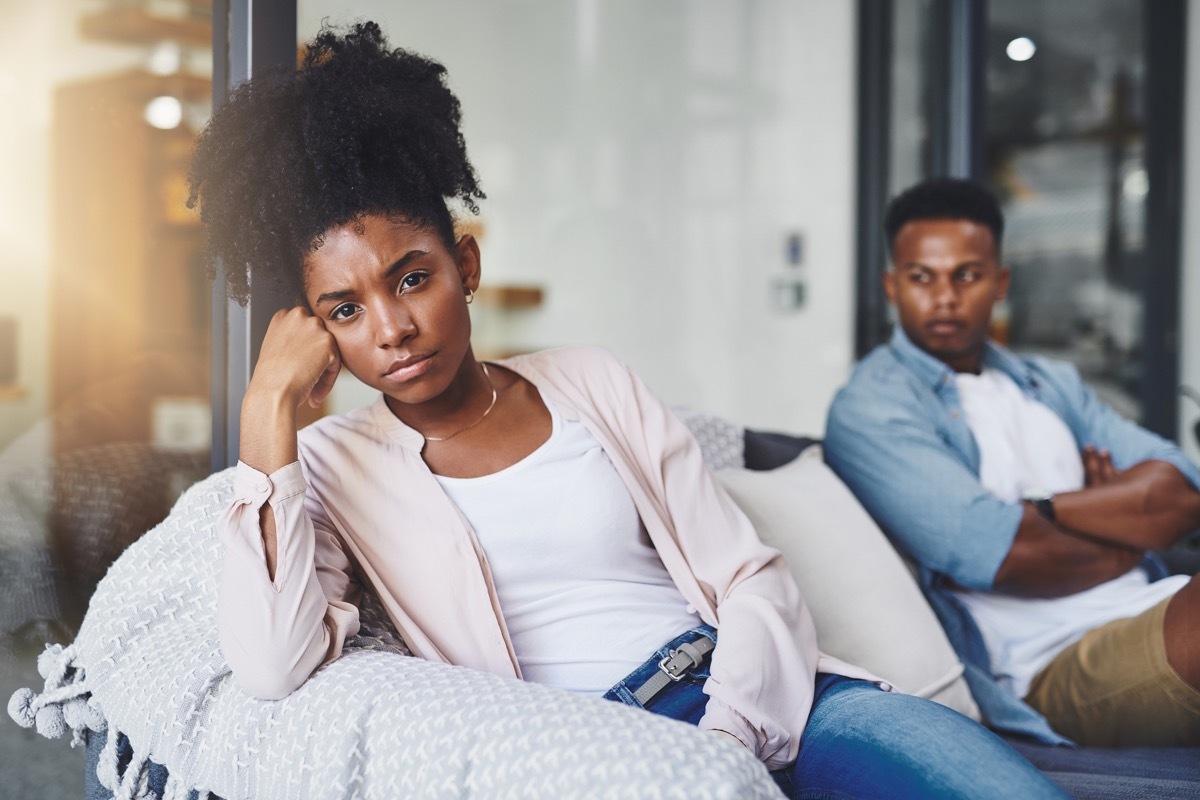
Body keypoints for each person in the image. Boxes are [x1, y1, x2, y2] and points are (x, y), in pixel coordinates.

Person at [189, 24, 1067, 798]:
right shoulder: (334, 466)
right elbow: (273, 665)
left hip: (759, 690)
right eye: (345, 310)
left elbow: (748, 578)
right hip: (605, 751)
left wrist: (731, 736)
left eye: (412, 276)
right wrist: (267, 410)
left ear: (467, 265)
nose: (391, 328)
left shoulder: (591, 381)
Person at [825, 177, 1200, 748]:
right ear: (891, 286)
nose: (944, 297)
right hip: (1051, 662)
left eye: (966, 275)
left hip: (1156, 598)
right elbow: (1001, 553)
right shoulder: (872, 407)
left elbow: (1182, 491)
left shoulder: (1048, 383)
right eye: (921, 277)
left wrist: (1042, 510)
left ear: (999, 283)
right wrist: (1123, 525)